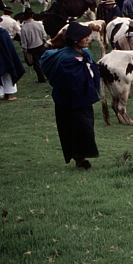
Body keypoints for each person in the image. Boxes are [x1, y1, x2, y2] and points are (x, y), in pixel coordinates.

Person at [40, 22, 100, 168]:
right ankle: (80, 159)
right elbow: (66, 82)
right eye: (84, 37)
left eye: (87, 36)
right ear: (75, 40)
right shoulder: (65, 59)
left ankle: (83, 156)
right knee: (72, 129)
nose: (87, 39)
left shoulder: (86, 54)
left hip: (84, 100)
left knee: (86, 127)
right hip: (68, 102)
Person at [0, 12, 25, 100]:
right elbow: (10, 46)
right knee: (8, 75)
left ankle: (1, 94)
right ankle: (9, 94)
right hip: (6, 57)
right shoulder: (3, 33)